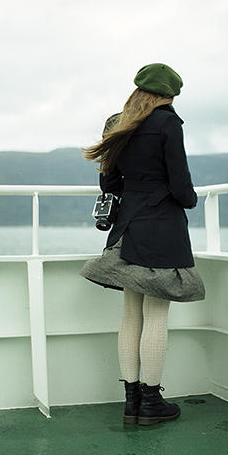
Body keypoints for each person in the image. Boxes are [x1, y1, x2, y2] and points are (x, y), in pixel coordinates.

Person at [80, 63, 205, 426]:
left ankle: (131, 402)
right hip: (162, 228)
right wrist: (188, 199)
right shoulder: (168, 123)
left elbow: (109, 183)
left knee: (130, 314)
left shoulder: (117, 123)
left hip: (126, 226)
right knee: (157, 314)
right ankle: (151, 402)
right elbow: (181, 184)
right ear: (168, 96)